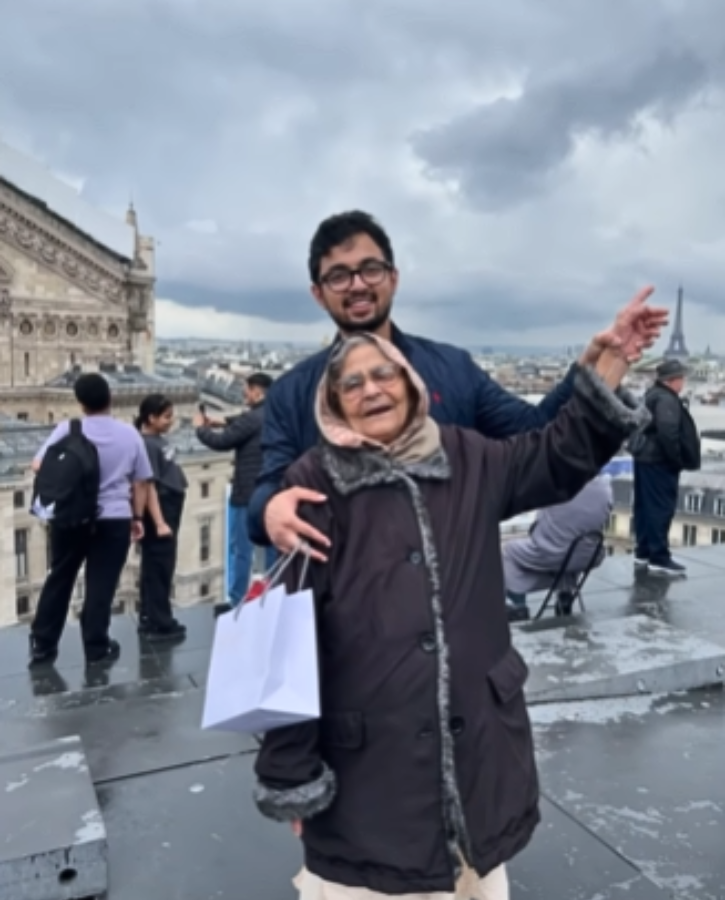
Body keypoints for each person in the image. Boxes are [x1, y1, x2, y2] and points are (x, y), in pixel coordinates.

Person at [252, 291, 664, 900]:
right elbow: (289, 636)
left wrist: (607, 369)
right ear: (333, 405)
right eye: (353, 383)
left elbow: (555, 458)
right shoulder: (313, 484)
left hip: (477, 759)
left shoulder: (466, 456)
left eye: (384, 372)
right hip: (370, 771)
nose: (372, 388)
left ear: (411, 383)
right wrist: (291, 769)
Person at [247, 210, 643, 556]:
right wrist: (268, 511)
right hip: (350, 608)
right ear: (318, 294)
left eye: (370, 269)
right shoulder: (293, 393)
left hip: (453, 592)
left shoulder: (454, 368)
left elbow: (532, 433)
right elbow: (268, 490)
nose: (357, 284)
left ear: (393, 278)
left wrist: (587, 372)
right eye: (338, 276)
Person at [29, 373, 152, 667]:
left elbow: (38, 465)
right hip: (114, 519)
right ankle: (96, 647)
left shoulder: (68, 429)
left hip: (71, 517)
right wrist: (137, 517)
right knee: (102, 585)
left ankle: (43, 646)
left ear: (81, 403)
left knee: (60, 578)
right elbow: (142, 482)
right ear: (110, 397)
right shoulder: (130, 435)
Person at [194, 372, 276, 614]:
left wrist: (200, 429)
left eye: (246, 389)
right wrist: (223, 422)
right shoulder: (275, 414)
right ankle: (272, 596)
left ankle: (237, 600)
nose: (243, 394)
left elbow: (222, 442)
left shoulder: (252, 418)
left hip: (247, 493)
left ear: (257, 391)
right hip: (271, 492)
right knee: (272, 547)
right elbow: (245, 422)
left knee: (242, 549)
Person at [503, 473, 613, 622]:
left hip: (554, 553)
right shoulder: (604, 487)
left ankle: (517, 605)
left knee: (508, 551)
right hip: (588, 555)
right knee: (570, 550)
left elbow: (539, 522)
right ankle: (565, 595)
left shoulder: (555, 483)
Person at [631, 359, 701, 575]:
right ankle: (659, 557)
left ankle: (643, 551)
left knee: (644, 506)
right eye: (682, 378)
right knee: (660, 508)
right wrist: (677, 460)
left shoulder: (651, 395)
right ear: (672, 380)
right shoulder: (666, 400)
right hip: (659, 461)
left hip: (645, 458)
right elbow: (668, 433)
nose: (684, 382)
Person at [135, 394, 188, 642]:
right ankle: (160, 622)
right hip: (162, 507)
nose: (171, 421)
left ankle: (150, 616)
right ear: (151, 418)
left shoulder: (155, 440)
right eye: (166, 416)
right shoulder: (146, 444)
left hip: (170, 503)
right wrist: (159, 522)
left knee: (156, 564)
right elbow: (148, 486)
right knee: (160, 565)